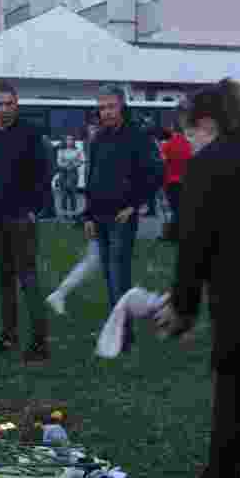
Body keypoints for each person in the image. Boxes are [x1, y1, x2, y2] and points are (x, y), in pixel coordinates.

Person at [154, 78, 240, 478]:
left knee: (235, 397)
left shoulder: (210, 164)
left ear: (207, 122)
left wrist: (183, 307)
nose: (188, 140)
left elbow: (194, 244)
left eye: (190, 130)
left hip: (238, 295)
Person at [0, 80, 51, 362]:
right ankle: (8, 337)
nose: (5, 109)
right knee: (4, 279)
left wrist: (34, 210)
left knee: (28, 278)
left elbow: (44, 174)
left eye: (10, 103)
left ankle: (40, 342)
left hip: (21, 218)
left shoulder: (30, 134)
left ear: (16, 103)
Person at [83, 84, 164, 343]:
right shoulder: (97, 139)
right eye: (102, 107)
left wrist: (135, 204)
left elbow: (155, 173)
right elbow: (92, 178)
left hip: (122, 217)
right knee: (108, 274)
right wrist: (87, 215)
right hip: (100, 216)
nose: (106, 112)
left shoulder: (137, 137)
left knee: (119, 275)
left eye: (111, 106)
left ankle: (124, 334)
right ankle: (118, 326)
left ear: (122, 106)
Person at [159, 122, 193, 233]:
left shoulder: (167, 145)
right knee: (180, 208)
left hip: (170, 181)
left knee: (175, 209)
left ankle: (174, 232)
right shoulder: (189, 145)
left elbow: (162, 163)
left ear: (172, 129)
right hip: (185, 180)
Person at [57, 134, 84, 218]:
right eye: (68, 139)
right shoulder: (61, 151)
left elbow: (81, 160)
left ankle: (74, 214)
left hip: (73, 173)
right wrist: (66, 165)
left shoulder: (78, 151)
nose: (69, 141)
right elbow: (59, 162)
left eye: (71, 139)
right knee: (64, 194)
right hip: (63, 173)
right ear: (65, 141)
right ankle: (64, 214)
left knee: (73, 194)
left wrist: (74, 164)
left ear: (73, 141)